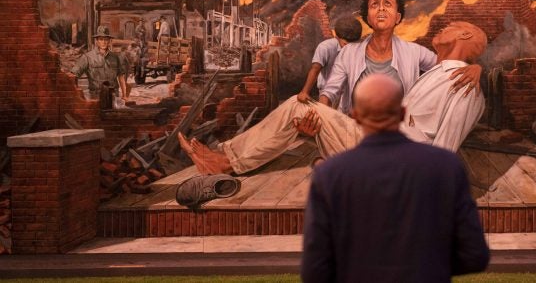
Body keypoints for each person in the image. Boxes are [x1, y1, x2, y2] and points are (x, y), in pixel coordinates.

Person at [177, 20, 487, 175]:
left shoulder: (466, 84)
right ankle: (226, 156)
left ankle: (227, 163)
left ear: (464, 36)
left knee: (298, 108)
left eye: (451, 26)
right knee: (301, 109)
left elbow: (445, 150)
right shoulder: (439, 71)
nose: (444, 28)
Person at [300, 74, 490, 282]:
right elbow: (474, 255)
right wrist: (426, 266)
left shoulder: (329, 174)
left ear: (355, 116)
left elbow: (315, 270)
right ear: (401, 114)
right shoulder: (445, 166)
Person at [318, 0, 480, 112]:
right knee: (295, 106)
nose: (381, 8)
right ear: (368, 17)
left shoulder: (414, 52)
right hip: (354, 131)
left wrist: (474, 67)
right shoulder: (349, 52)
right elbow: (330, 91)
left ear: (397, 17)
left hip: (397, 134)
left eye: (387, 3)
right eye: (375, 4)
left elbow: (446, 67)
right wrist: (320, 117)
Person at [297, 16, 363, 114]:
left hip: (347, 91)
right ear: (336, 37)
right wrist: (305, 91)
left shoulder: (361, 47)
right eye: (345, 44)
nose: (349, 48)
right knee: (326, 118)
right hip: (327, 92)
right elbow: (315, 69)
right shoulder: (325, 47)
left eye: (353, 45)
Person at [71, 25, 128, 100]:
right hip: (96, 96)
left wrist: (124, 95)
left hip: (113, 95)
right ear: (97, 41)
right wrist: (75, 95)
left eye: (106, 39)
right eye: (101, 39)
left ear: (109, 41)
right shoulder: (87, 57)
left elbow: (121, 77)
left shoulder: (115, 57)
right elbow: (73, 75)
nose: (104, 42)